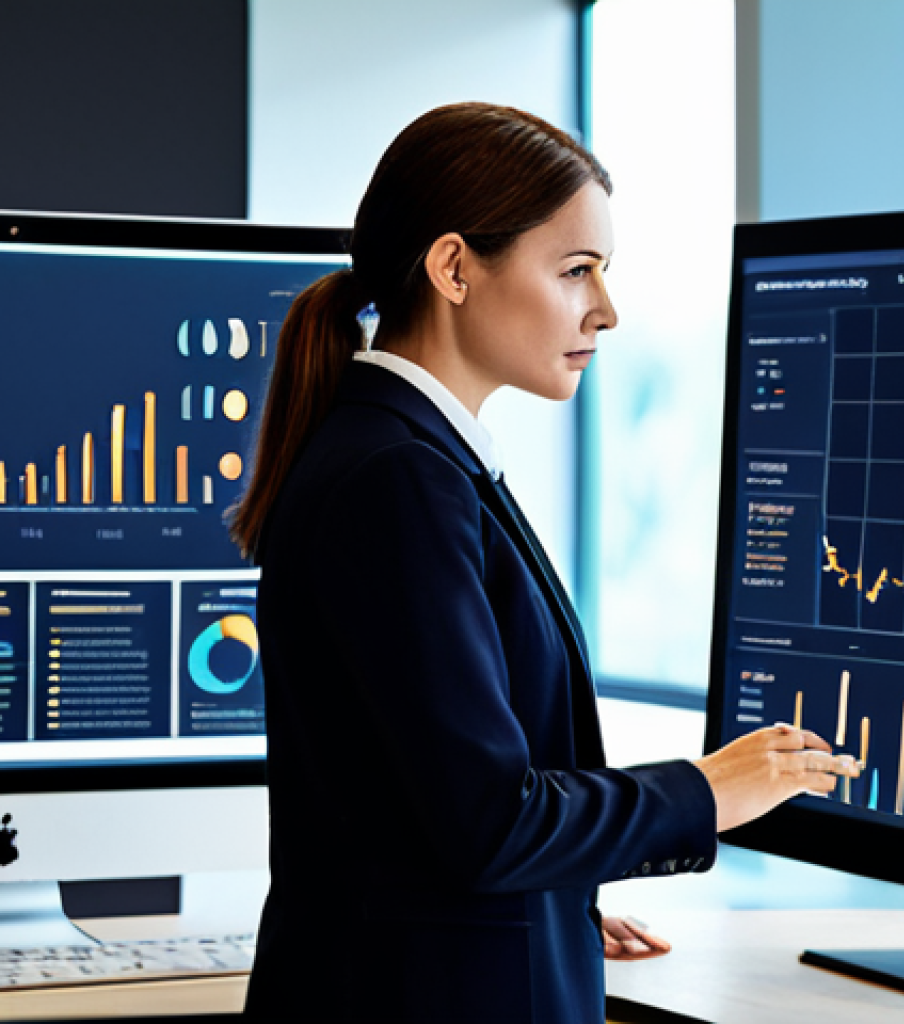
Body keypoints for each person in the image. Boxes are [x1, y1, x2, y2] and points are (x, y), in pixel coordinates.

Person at [231, 102, 859, 1023]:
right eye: (575, 271)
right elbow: (488, 821)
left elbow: (411, 807)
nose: (605, 309)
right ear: (453, 268)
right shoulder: (400, 477)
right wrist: (709, 790)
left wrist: (555, 900)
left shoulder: (407, 456)